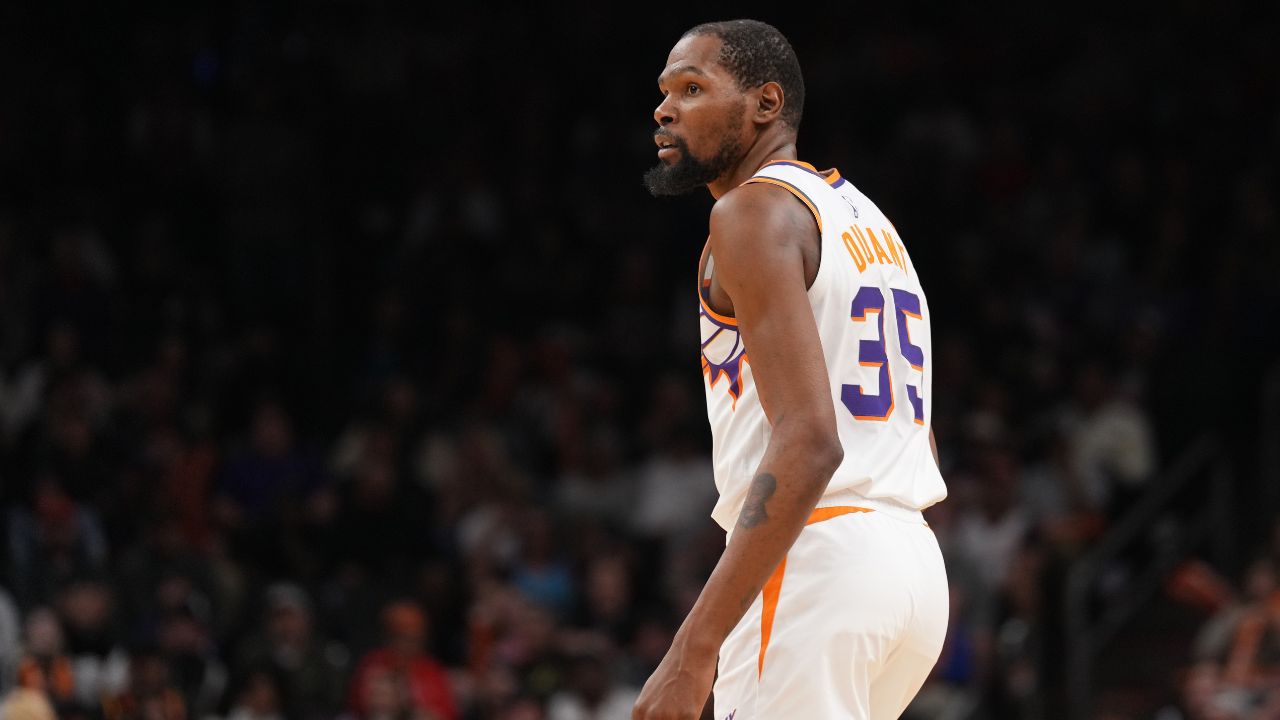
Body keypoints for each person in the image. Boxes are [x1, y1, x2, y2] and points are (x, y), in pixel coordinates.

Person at [634, 20, 949, 720]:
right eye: (663, 92)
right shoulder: (869, 221)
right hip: (911, 568)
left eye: (692, 88)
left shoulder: (751, 213)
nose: (664, 108)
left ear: (766, 105)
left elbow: (810, 439)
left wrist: (694, 650)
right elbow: (916, 437)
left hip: (820, 557)